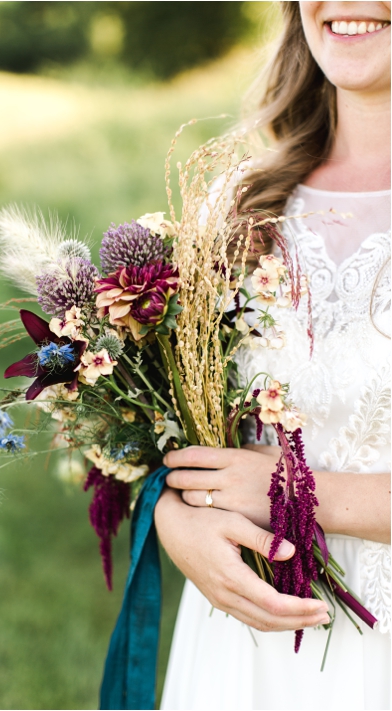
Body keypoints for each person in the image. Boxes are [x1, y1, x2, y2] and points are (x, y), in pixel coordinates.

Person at [155, 2, 391, 708]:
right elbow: (177, 423)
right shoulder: (241, 201)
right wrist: (178, 516)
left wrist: (293, 492)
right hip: (247, 640)